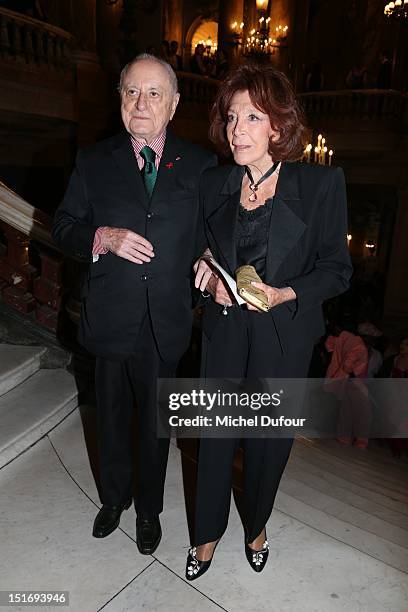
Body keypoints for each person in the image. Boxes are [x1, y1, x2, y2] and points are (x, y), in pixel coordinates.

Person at [186, 63, 353, 580]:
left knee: (266, 443)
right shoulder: (214, 181)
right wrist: (204, 270)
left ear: (278, 126)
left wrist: (287, 293)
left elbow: (337, 269)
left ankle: (256, 526)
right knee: (214, 440)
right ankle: (206, 536)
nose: (238, 128)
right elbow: (200, 249)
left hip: (284, 336)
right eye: (232, 116)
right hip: (225, 330)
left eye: (253, 117)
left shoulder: (320, 185)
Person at [52, 54, 216, 555]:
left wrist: (210, 259)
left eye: (153, 94)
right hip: (110, 316)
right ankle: (113, 499)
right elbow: (63, 228)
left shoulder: (202, 164)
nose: (141, 104)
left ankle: (149, 512)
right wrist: (103, 236)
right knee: (111, 417)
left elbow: (211, 234)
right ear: (119, 98)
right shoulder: (94, 160)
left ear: (173, 104)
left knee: (155, 425)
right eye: (131, 93)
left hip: (166, 320)